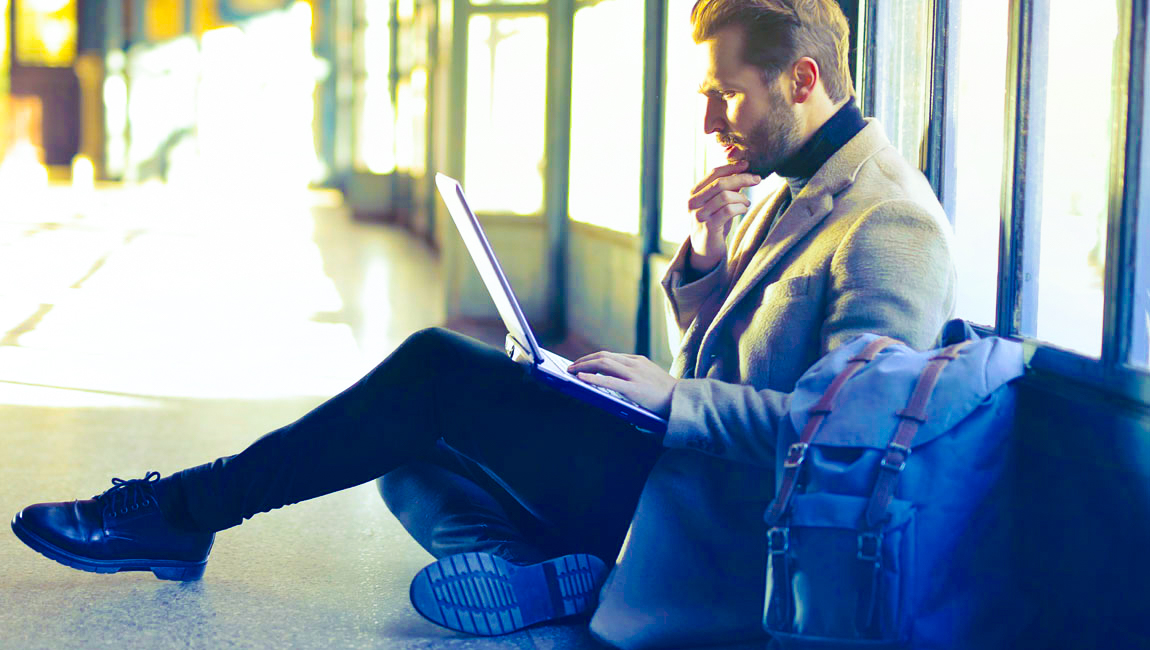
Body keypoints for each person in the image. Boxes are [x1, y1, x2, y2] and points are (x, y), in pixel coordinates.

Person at [10, 0, 955, 647]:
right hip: (669, 473)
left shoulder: (889, 222)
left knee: (431, 370)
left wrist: (672, 397)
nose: (710, 117)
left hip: (720, 523)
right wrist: (704, 268)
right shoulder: (781, 187)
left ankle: (182, 511)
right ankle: (557, 570)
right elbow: (730, 365)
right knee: (408, 459)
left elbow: (846, 443)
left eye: (726, 93)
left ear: (801, 78)